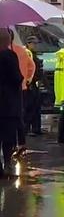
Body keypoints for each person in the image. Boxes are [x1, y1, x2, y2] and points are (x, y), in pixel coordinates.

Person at [0, 28, 23, 176]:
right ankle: (7, 164)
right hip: (7, 103)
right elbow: (17, 78)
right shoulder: (9, 55)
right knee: (7, 136)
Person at [9, 30, 34, 153]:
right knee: (18, 116)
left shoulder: (6, 52)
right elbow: (32, 66)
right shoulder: (22, 50)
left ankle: (12, 143)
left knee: (7, 117)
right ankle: (21, 143)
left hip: (8, 90)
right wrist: (28, 79)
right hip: (22, 88)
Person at [24, 36, 43, 137]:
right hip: (30, 84)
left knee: (36, 107)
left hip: (35, 83)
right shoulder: (28, 53)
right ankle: (27, 129)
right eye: (34, 43)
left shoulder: (33, 54)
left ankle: (36, 128)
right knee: (30, 107)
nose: (35, 45)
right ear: (28, 43)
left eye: (36, 44)